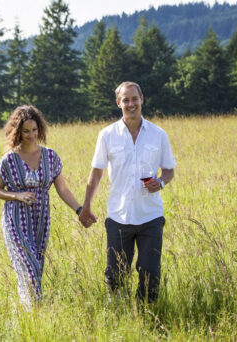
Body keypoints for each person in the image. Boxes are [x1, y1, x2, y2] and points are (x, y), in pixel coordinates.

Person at [79, 81, 176, 303]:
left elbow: (169, 170)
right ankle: (119, 313)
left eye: (134, 99)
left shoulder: (158, 134)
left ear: (142, 99)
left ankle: (146, 316)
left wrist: (160, 182)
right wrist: (86, 206)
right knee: (115, 275)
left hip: (150, 215)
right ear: (118, 103)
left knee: (150, 274)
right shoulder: (106, 135)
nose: (130, 104)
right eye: (126, 100)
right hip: (118, 216)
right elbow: (96, 174)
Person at [0, 105, 82, 310]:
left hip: (41, 221)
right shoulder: (9, 160)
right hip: (16, 220)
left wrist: (79, 209)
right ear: (18, 132)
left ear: (39, 129)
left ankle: (29, 313)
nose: (31, 135)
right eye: (26, 131)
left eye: (34, 130)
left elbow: (63, 190)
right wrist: (17, 195)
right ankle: (38, 311)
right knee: (29, 268)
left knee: (35, 269)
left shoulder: (51, 157)